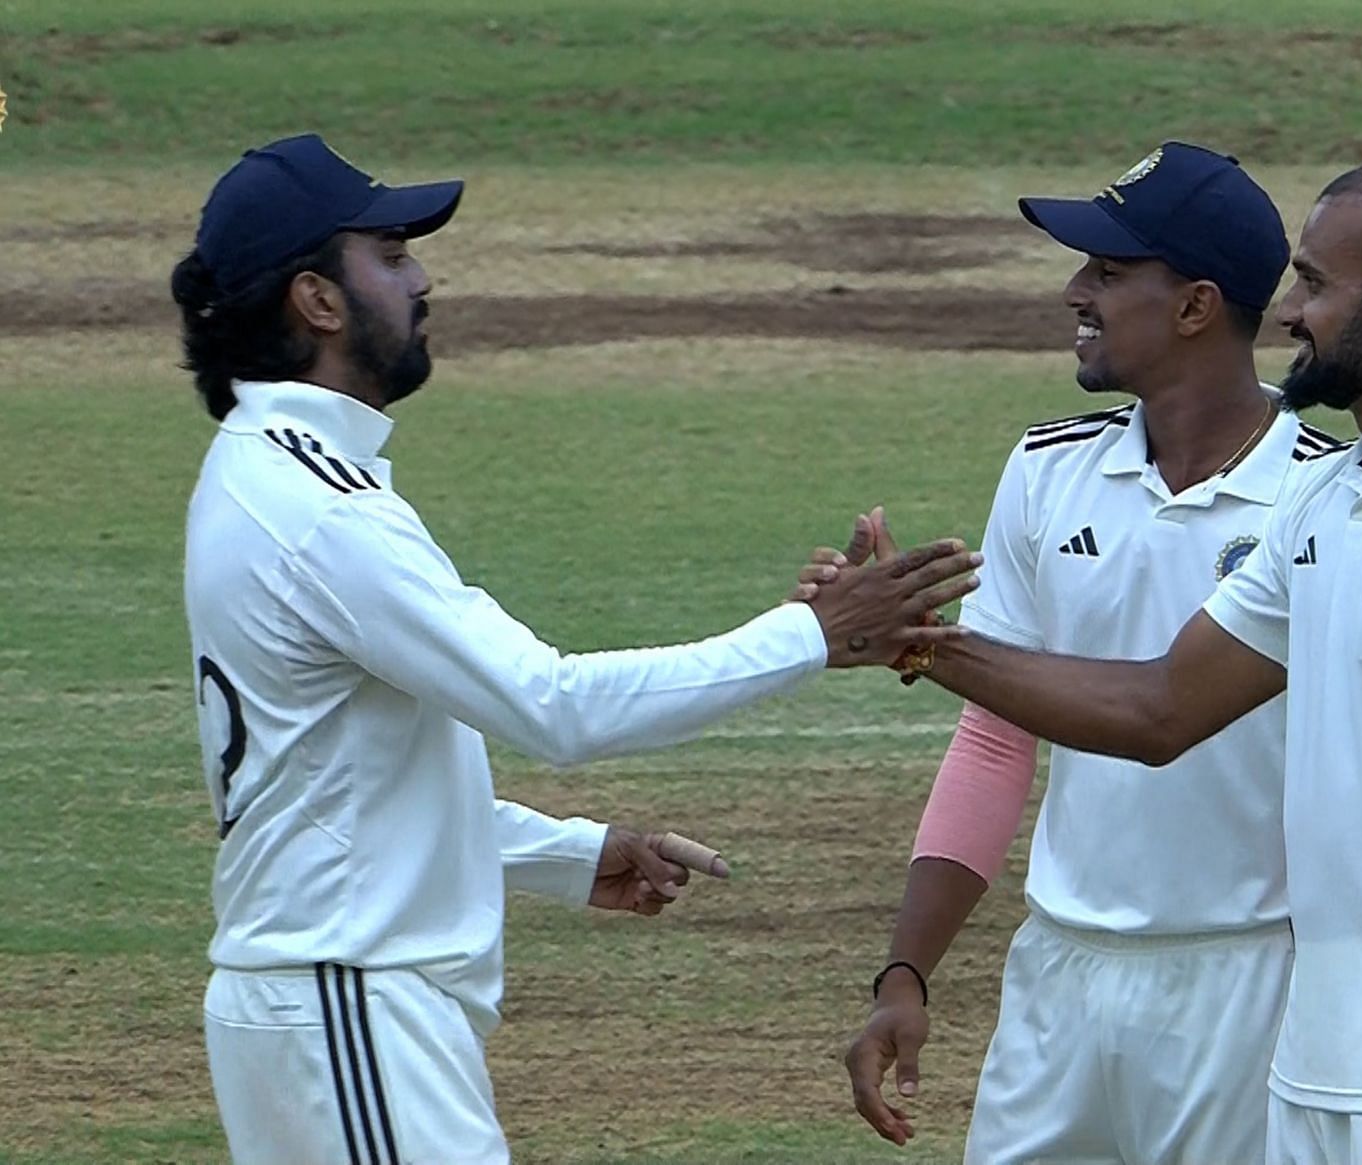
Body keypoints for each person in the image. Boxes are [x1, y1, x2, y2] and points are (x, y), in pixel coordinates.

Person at [813, 158, 1362, 1165]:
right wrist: (916, 643)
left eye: (1313, 285)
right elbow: (1162, 708)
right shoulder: (1331, 502)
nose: (1289, 312)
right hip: (1316, 1069)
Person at [171, 133, 977, 1165]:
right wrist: (811, 636)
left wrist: (566, 854)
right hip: (350, 1012)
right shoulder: (320, 510)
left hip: (338, 1007)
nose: (422, 279)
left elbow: (333, 788)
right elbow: (552, 705)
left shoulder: (268, 474)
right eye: (390, 254)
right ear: (317, 300)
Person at [837, 142, 1326, 1162]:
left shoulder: (1328, 495)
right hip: (1057, 978)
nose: (1076, 291)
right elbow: (994, 744)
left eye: (1108, 272)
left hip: (1251, 983)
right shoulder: (1048, 470)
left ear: (1195, 305)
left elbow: (1162, 717)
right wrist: (906, 973)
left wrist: (920, 642)